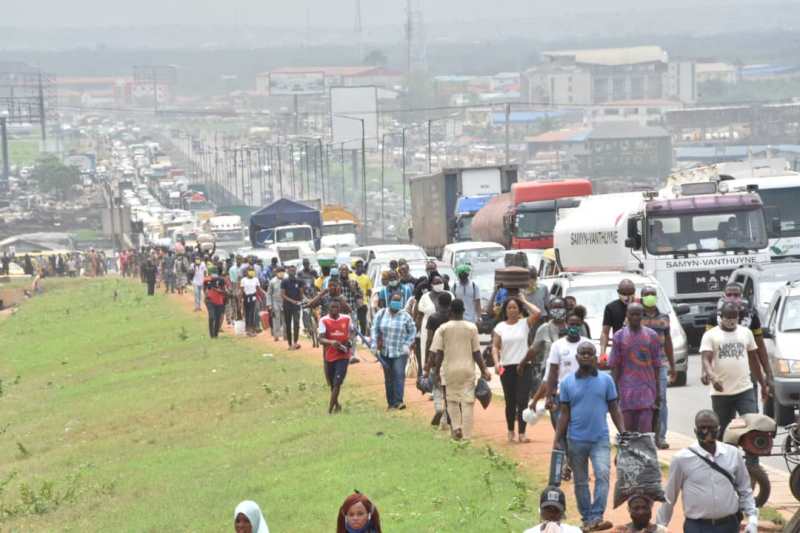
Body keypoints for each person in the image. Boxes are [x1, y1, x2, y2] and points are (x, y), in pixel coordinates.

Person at [553, 341, 625, 532]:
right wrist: (558, 439)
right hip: (575, 440)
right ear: (577, 357)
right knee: (581, 481)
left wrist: (623, 433)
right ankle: (587, 518)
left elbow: (614, 409)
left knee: (603, 475)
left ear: (595, 357)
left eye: (589, 353)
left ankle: (597, 516)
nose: (585, 356)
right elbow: (564, 413)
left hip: (600, 439)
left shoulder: (606, 380)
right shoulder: (567, 383)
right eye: (582, 353)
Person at [656, 410, 758, 533]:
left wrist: (752, 518)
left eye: (711, 428)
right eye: (702, 427)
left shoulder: (733, 454)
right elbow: (670, 496)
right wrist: (660, 526)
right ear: (695, 430)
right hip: (697, 526)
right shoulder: (682, 459)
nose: (707, 432)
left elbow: (745, 489)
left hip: (729, 525)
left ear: (719, 430)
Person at [700, 301, 769, 436]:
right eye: (728, 318)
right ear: (721, 317)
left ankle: (752, 457)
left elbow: (754, 360)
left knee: (752, 427)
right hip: (721, 393)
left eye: (734, 318)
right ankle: (729, 455)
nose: (731, 321)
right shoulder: (711, 335)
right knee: (723, 432)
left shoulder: (746, 333)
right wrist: (712, 377)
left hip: (744, 390)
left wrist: (763, 384)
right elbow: (705, 360)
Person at [706, 282, 773, 413]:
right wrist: (707, 373)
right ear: (724, 296)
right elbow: (707, 350)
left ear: (741, 297)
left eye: (736, 295)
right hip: (722, 377)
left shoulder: (751, 317)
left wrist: (767, 373)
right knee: (724, 421)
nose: (732, 298)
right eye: (729, 295)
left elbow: (759, 346)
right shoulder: (714, 318)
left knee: (751, 417)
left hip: (747, 375)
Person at [430, 298, 491, 440]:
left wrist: (436, 371)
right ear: (463, 311)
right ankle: (467, 436)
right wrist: (484, 370)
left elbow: (439, 353)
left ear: (450, 311)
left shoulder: (443, 328)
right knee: (468, 402)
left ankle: (456, 427)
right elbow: (476, 352)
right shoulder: (471, 328)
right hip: (467, 370)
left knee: (451, 400)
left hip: (450, 370)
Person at [491, 296, 542, 443]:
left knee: (522, 399)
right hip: (506, 367)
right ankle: (510, 431)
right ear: (505, 310)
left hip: (524, 366)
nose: (512, 310)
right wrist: (496, 363)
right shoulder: (500, 327)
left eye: (515, 307)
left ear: (519, 310)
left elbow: (538, 313)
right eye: (509, 308)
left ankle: (522, 433)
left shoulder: (524, 323)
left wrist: (524, 300)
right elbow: (495, 346)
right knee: (510, 401)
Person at [609, 303, 662, 433]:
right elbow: (614, 365)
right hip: (626, 390)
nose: (635, 317)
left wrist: (658, 391)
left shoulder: (652, 336)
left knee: (646, 431)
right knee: (628, 431)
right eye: (632, 314)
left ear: (642, 315)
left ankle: (647, 452)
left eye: (638, 314)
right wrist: (613, 390)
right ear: (627, 315)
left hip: (647, 389)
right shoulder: (619, 336)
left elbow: (656, 365)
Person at [545, 312, 591, 453]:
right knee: (562, 431)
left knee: (580, 432)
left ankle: (577, 464)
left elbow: (594, 369)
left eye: (577, 325)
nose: (574, 327)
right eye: (571, 324)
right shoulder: (557, 346)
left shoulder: (587, 344)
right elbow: (552, 372)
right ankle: (567, 463)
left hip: (584, 395)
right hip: (562, 395)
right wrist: (548, 396)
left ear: (581, 325)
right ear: (566, 324)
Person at [639, 286, 676, 449]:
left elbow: (668, 341)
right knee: (643, 401)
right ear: (641, 297)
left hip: (660, 364)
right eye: (646, 295)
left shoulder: (664, 318)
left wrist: (673, 365)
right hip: (640, 366)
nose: (650, 297)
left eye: (652, 294)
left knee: (661, 399)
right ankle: (645, 435)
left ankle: (660, 437)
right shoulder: (635, 316)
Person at [371, 292, 417, 410]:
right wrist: (374, 344)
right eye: (394, 300)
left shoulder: (405, 316)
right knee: (388, 376)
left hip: (400, 351)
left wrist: (407, 344)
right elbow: (374, 329)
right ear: (389, 301)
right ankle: (390, 403)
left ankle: (398, 401)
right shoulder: (381, 314)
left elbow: (412, 331)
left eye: (399, 301)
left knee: (399, 374)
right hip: (385, 351)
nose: (396, 303)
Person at [423, 292, 453, 428]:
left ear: (438, 303)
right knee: (449, 389)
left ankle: (439, 408)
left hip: (436, 355)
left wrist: (426, 360)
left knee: (436, 384)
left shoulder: (433, 318)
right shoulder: (453, 318)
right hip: (451, 356)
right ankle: (446, 419)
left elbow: (429, 340)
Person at [318, 300, 352, 414]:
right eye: (332, 307)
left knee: (337, 382)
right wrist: (331, 342)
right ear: (328, 309)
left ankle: (329, 411)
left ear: (339, 308)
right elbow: (321, 339)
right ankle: (337, 405)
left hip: (343, 355)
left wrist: (349, 342)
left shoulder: (346, 319)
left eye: (336, 307)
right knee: (332, 384)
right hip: (330, 355)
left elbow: (351, 332)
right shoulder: (323, 320)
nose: (335, 310)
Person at [600, 279, 636, 358]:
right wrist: (602, 353)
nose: (627, 296)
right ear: (618, 292)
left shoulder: (640, 306)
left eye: (630, 293)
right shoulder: (611, 307)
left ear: (634, 291)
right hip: (619, 350)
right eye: (623, 293)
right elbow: (605, 332)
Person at [281, 265, 304, 350]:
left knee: (297, 324)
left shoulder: (299, 281)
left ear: (295, 271)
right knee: (288, 324)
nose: (292, 272)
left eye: (293, 271)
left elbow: (301, 293)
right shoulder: (284, 281)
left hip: (297, 306)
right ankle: (290, 343)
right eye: (290, 271)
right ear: (287, 271)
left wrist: (302, 301)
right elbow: (283, 295)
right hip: (287, 306)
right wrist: (292, 301)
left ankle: (295, 342)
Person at [204, 265, 227, 338]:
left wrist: (220, 291)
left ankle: (215, 334)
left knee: (217, 318)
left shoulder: (222, 280)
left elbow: (224, 290)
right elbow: (205, 289)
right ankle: (212, 335)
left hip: (219, 301)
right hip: (210, 300)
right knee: (212, 316)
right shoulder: (207, 280)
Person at [351, 259, 372, 334]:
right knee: (354, 321)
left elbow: (369, 291)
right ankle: (355, 336)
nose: (360, 268)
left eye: (361, 266)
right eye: (358, 266)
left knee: (363, 321)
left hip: (363, 303)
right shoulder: (351, 276)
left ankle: (363, 337)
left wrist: (366, 299)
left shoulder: (367, 278)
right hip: (353, 303)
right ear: (355, 267)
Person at [241, 267, 261, 336]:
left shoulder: (256, 279)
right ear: (247, 272)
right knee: (247, 313)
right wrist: (241, 299)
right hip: (246, 298)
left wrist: (263, 295)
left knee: (253, 313)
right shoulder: (243, 280)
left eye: (252, 270)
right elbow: (241, 290)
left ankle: (252, 329)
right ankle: (248, 329)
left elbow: (258, 289)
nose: (251, 272)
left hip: (254, 297)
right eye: (250, 270)